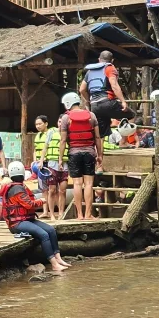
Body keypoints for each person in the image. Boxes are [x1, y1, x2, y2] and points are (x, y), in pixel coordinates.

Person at [0, 161, 71, 273]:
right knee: (43, 234)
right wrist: (41, 201)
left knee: (51, 230)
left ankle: (58, 258)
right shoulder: (16, 189)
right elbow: (29, 204)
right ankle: (54, 264)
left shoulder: (19, 186)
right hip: (17, 224)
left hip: (26, 219)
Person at [57, 92, 103, 221]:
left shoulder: (66, 118)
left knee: (77, 184)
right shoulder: (91, 116)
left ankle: (79, 215)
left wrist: (60, 158)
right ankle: (88, 214)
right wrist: (100, 155)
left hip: (74, 154)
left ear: (67, 103)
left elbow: (63, 140)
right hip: (89, 153)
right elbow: (98, 137)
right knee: (88, 184)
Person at [82, 50, 132, 139]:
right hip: (108, 103)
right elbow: (114, 85)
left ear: (99, 59)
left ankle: (100, 153)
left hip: (94, 106)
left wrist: (89, 100)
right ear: (112, 60)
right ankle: (123, 142)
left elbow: (82, 89)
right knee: (131, 115)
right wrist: (123, 101)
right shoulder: (110, 68)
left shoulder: (90, 71)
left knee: (101, 133)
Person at [34, 115, 67, 221]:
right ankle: (51, 214)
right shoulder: (51, 132)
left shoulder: (68, 133)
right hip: (51, 164)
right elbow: (44, 148)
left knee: (62, 190)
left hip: (64, 164)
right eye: (59, 121)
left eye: (63, 122)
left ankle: (61, 212)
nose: (60, 124)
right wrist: (40, 161)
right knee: (51, 190)